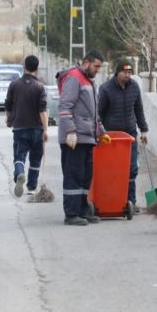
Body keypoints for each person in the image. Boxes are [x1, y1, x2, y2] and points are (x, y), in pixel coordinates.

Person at [57, 50, 110, 226]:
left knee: (85, 175)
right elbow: (65, 107)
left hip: (87, 137)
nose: (97, 70)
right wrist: (70, 131)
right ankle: (71, 214)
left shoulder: (88, 81)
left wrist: (101, 131)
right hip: (75, 139)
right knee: (74, 175)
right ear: (86, 62)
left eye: (99, 67)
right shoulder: (74, 78)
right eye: (96, 66)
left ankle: (82, 210)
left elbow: (93, 113)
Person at [98, 59, 149, 212]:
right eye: (124, 72)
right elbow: (99, 113)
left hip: (130, 135)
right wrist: (100, 132)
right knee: (113, 169)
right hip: (111, 136)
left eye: (129, 72)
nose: (127, 75)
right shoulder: (106, 89)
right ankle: (112, 198)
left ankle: (130, 201)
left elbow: (139, 109)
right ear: (117, 72)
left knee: (132, 168)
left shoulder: (134, 87)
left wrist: (144, 130)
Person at [5, 55, 49, 197]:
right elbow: (43, 110)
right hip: (37, 129)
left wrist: (9, 120)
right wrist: (46, 129)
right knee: (35, 159)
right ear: (36, 68)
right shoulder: (40, 86)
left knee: (19, 156)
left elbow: (8, 105)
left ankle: (19, 174)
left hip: (20, 128)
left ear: (24, 66)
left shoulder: (14, 85)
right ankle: (31, 187)